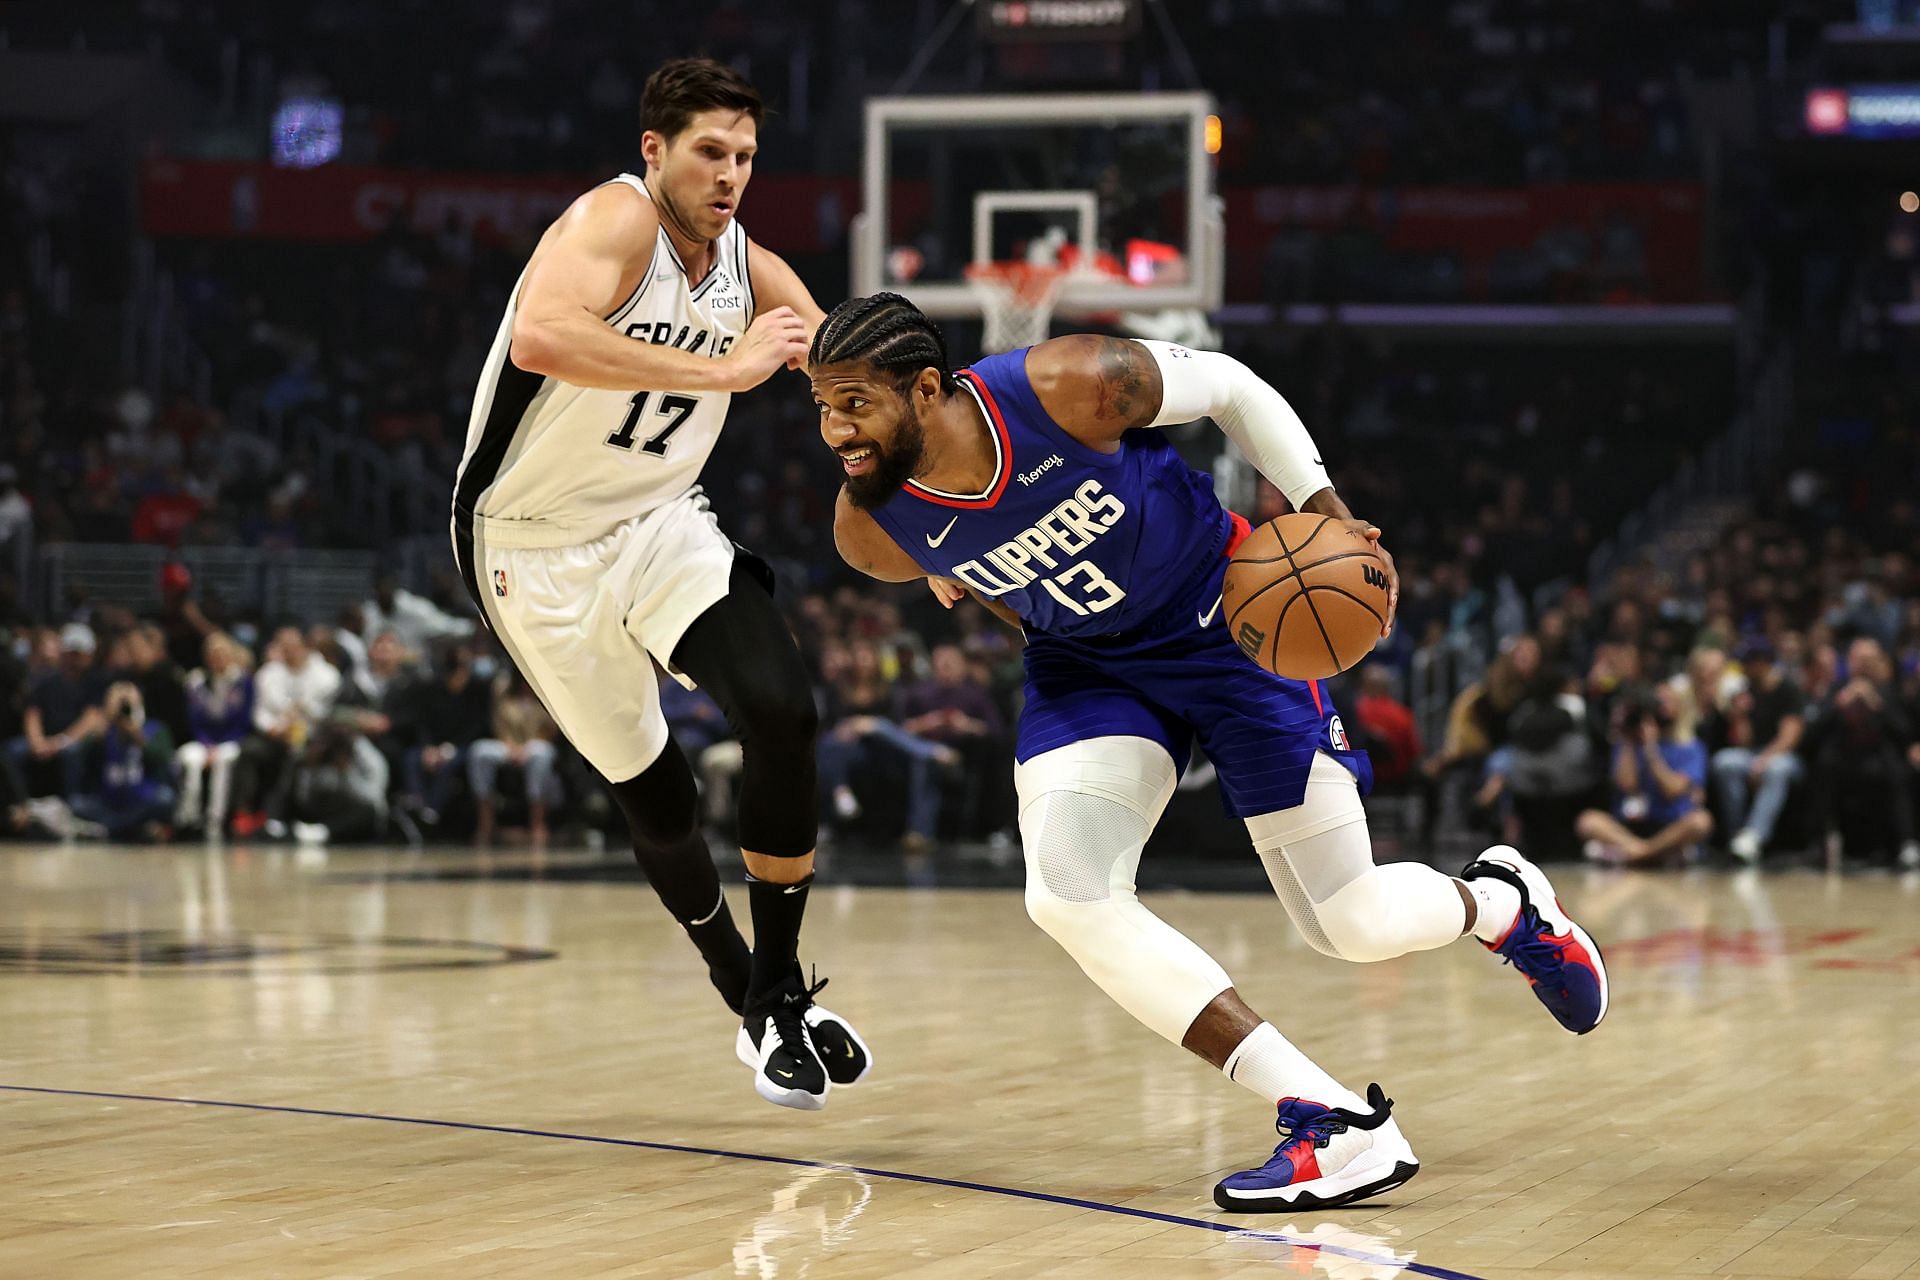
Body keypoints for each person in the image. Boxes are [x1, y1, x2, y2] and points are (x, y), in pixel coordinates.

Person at [811, 293, 1607, 1211]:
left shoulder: (1065, 385)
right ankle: (1328, 1120)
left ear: (924, 388)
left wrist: (1324, 509)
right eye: (823, 407)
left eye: (854, 403)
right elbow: (999, 583)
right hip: (1089, 669)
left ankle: (1500, 905)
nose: (836, 430)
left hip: (1231, 626)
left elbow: (1232, 387)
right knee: (1066, 894)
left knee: (1347, 924)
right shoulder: (869, 530)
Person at [449, 57, 866, 1109]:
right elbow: (545, 334)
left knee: (780, 706)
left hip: (657, 521)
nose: (731, 175)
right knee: (664, 795)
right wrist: (725, 371)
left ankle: (779, 987)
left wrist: (938, 526)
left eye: (746, 157)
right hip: (532, 542)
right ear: (655, 151)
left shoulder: (752, 266)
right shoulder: (613, 221)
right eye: (711, 153)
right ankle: (743, 984)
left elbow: (850, 391)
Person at [1576, 684, 1713, 864]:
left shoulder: (1691, 747)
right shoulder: (1627, 744)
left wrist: (1651, 749)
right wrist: (1627, 738)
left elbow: (1671, 790)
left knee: (1701, 822)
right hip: (1630, 826)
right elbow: (1627, 785)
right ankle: (1652, 853)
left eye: (1668, 701)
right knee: (1588, 821)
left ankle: (1635, 853)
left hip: (1669, 826)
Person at [1709, 639, 1806, 862]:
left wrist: (1763, 760)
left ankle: (1754, 835)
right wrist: (1740, 715)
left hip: (1784, 756)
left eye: (1748, 662)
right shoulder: (1745, 691)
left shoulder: (1788, 689)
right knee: (1725, 762)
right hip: (1751, 753)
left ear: (1763, 663)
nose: (1744, 667)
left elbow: (1790, 736)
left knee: (1776, 769)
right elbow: (1743, 742)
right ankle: (1737, 833)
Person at [174, 631, 254, 835]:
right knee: (189, 759)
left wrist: (219, 746)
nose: (218, 659)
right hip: (204, 741)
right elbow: (194, 720)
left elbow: (243, 721)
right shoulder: (196, 681)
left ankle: (214, 819)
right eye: (213, 654)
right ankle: (188, 817)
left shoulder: (242, 682)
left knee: (223, 761)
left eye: (222, 653)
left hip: (231, 740)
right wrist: (207, 744)